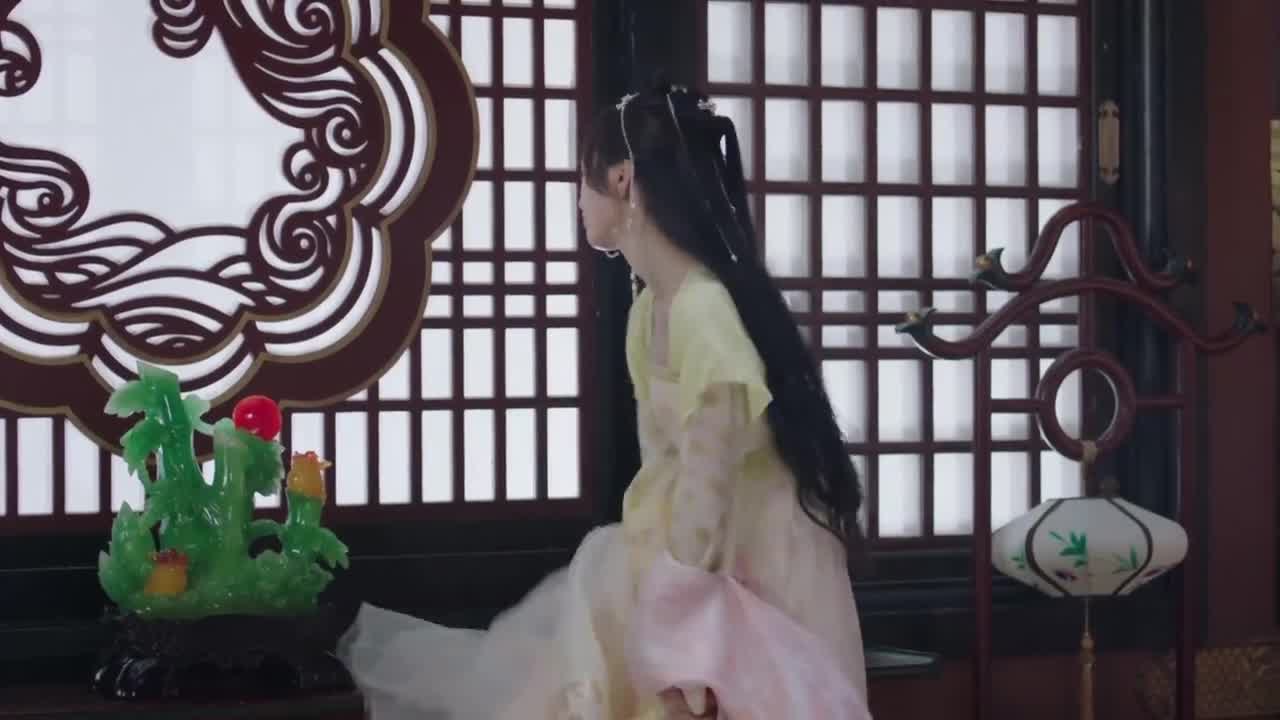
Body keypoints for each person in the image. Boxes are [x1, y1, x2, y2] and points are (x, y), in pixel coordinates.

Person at [338, 77, 873, 720]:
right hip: (684, 546)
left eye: (583, 179)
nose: (579, 199)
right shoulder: (650, 309)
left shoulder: (703, 308)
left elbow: (710, 479)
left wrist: (678, 611)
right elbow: (673, 470)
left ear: (621, 181)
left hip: (747, 558)